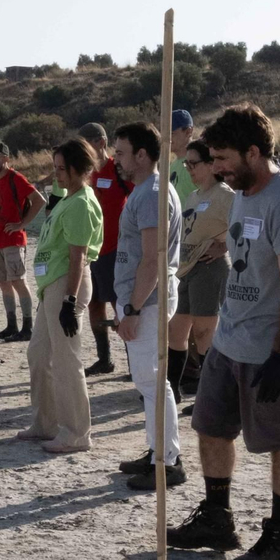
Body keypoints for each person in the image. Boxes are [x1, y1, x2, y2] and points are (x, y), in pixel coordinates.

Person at [170, 101, 280, 560]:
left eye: (222, 159)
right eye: (211, 160)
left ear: (253, 152)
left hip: (269, 346)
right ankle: (218, 519)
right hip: (230, 339)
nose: (216, 169)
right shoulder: (242, 193)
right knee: (210, 427)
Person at [110, 122, 184, 490]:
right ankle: (159, 450)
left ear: (142, 154)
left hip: (148, 301)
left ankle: (167, 460)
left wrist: (134, 309)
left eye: (121, 152)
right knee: (149, 381)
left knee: (152, 381)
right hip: (144, 298)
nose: (115, 159)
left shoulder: (152, 192)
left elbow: (153, 260)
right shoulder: (146, 190)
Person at [19, 139, 104, 453]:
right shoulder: (67, 198)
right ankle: (46, 423)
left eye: (61, 169)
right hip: (50, 285)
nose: (56, 175)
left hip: (65, 285)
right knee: (39, 354)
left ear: (79, 169)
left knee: (67, 360)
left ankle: (77, 432)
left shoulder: (81, 202)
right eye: (54, 168)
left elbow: (78, 256)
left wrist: (69, 300)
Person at [170, 139, 234, 404]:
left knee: (204, 334)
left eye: (194, 164)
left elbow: (245, 228)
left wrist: (224, 246)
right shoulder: (193, 196)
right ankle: (172, 390)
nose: (189, 169)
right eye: (187, 164)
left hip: (209, 269)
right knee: (176, 331)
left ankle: (211, 398)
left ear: (211, 165)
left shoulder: (226, 195)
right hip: (186, 269)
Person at [79, 122, 133, 375]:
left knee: (118, 306)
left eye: (87, 143)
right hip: (91, 249)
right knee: (94, 305)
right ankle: (105, 359)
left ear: (100, 142)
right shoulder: (85, 173)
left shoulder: (118, 169)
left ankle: (134, 362)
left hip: (115, 250)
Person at [0, 141, 44, 342]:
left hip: (13, 239)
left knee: (18, 280)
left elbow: (39, 200)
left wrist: (22, 224)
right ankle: (11, 325)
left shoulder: (16, 178)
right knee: (3, 282)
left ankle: (27, 326)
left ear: (6, 158)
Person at [168, 109, 195, 194]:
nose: (167, 138)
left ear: (188, 132)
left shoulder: (199, 164)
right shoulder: (171, 167)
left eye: (172, 133)